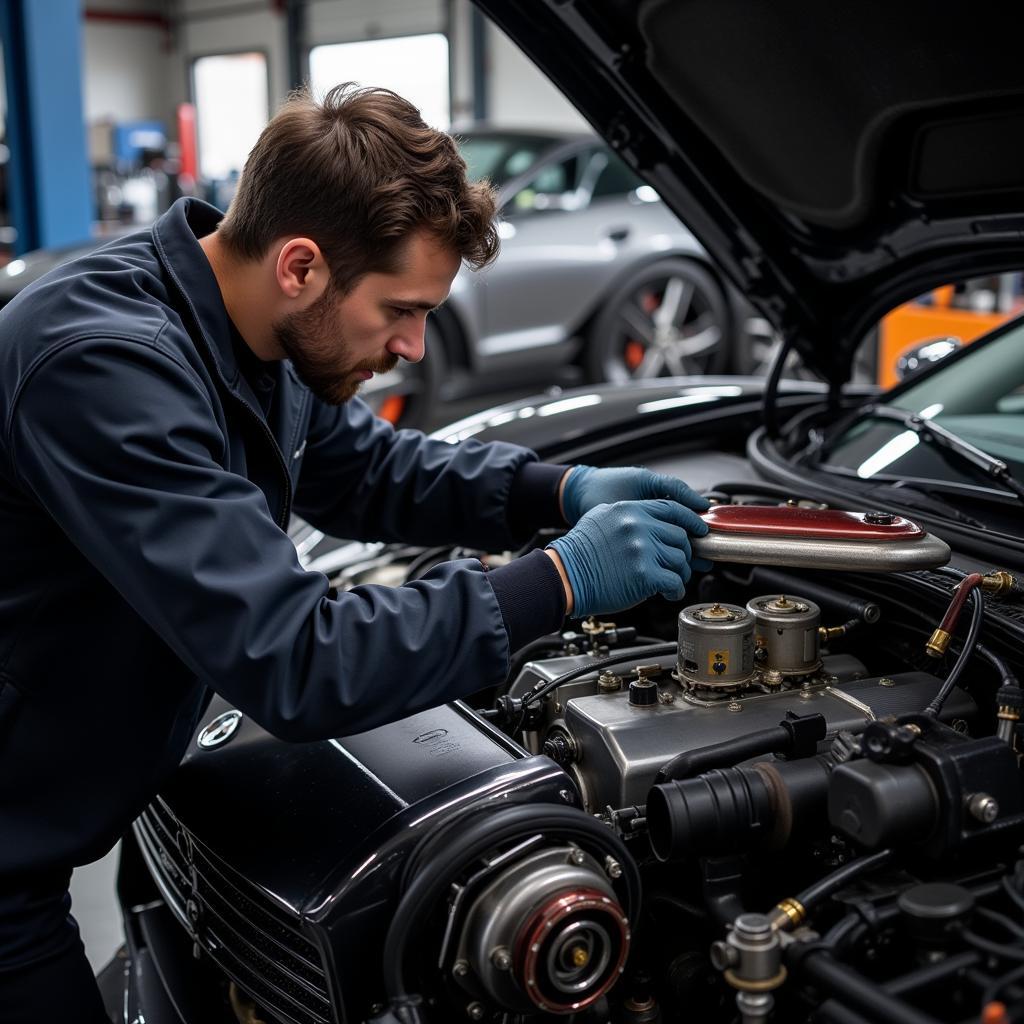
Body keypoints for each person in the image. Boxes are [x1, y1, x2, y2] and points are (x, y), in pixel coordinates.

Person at [0, 84, 709, 1022]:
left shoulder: (246, 328)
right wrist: (560, 580)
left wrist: (553, 491)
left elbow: (365, 466)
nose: (414, 346)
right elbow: (298, 659)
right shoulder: (101, 365)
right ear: (300, 265)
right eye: (400, 309)